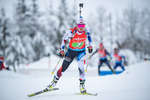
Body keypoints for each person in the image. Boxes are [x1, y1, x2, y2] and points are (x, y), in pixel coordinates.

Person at [46, 16, 93, 93]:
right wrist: (61, 50)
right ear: (76, 25)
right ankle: (53, 83)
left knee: (81, 67)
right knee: (63, 68)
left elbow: (89, 37)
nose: (81, 27)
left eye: (83, 25)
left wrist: (90, 46)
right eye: (79, 25)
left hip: (81, 52)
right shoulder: (71, 32)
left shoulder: (86, 31)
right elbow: (64, 39)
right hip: (71, 52)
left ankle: (82, 86)